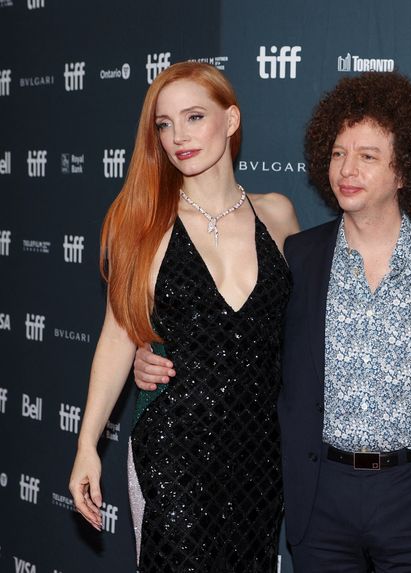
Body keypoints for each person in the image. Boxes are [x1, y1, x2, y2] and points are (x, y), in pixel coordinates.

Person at [134, 71, 411, 572]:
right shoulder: (303, 255)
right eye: (337, 154)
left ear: (404, 172)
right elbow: (243, 331)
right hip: (323, 496)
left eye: (367, 156)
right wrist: (153, 351)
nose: (346, 169)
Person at [68, 61, 299, 572]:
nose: (178, 137)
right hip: (175, 452)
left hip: (260, 455)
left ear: (231, 120)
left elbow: (296, 333)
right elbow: (116, 337)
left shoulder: (277, 215)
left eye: (194, 117)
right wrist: (87, 446)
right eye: (164, 124)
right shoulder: (145, 223)